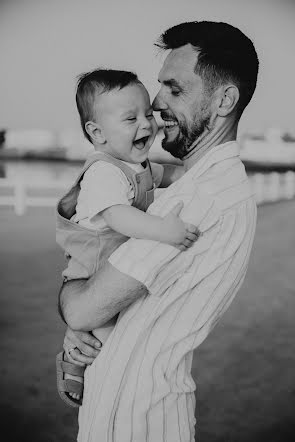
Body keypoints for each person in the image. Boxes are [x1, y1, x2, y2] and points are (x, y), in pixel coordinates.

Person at [59, 21, 259, 441]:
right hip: (138, 411)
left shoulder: (197, 199)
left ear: (224, 100)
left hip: (138, 420)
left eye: (175, 88)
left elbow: (83, 309)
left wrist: (76, 312)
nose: (155, 101)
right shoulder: (209, 183)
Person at [56, 69, 200, 406]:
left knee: (119, 328)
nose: (147, 124)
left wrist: (193, 173)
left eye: (147, 113)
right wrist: (164, 232)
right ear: (98, 133)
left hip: (113, 264)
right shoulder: (103, 172)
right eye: (130, 118)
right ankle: (79, 370)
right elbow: (117, 215)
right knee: (110, 340)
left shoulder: (139, 165)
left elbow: (165, 180)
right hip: (91, 266)